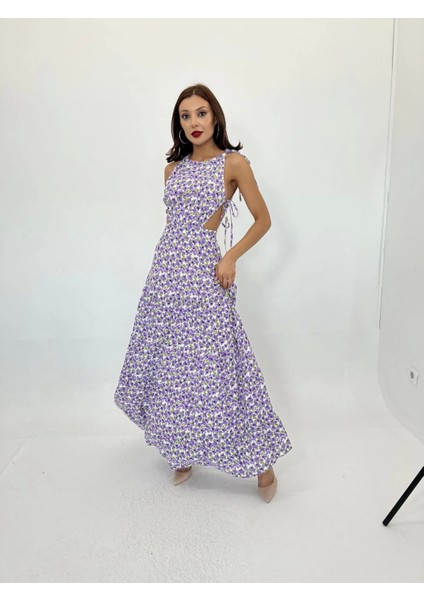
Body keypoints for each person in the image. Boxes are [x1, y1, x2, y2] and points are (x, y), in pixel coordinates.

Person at [114, 83, 292, 503]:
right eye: (185, 115)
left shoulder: (233, 163)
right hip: (165, 276)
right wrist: (163, 275)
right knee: (171, 365)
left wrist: (230, 257)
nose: (193, 122)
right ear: (179, 123)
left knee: (221, 366)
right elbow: (173, 226)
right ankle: (181, 451)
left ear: (215, 117)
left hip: (205, 274)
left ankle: (262, 466)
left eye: (201, 113)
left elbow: (263, 220)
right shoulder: (172, 169)